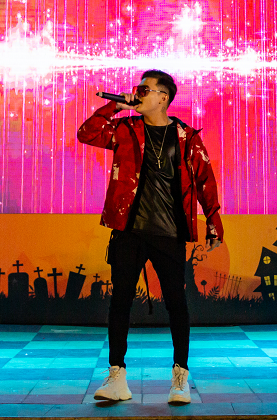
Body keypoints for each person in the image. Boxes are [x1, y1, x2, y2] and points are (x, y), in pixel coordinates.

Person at [77, 70, 223, 405]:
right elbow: (87, 133)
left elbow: (205, 180)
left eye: (145, 90)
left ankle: (180, 377)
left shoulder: (186, 136)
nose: (137, 93)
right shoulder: (126, 129)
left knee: (176, 304)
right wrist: (115, 107)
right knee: (120, 302)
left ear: (163, 98)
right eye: (137, 89)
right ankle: (116, 376)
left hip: (169, 233)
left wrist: (214, 222)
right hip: (128, 231)